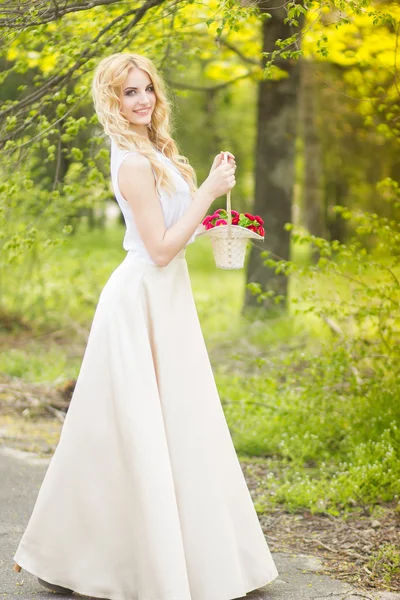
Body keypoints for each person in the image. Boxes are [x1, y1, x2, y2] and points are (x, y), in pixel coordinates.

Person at [12, 52, 279, 600]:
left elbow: (176, 233)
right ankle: (94, 558)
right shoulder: (132, 162)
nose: (141, 100)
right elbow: (157, 249)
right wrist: (206, 192)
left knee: (181, 421)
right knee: (125, 429)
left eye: (147, 90)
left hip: (170, 300)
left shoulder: (158, 152)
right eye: (128, 92)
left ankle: (194, 554)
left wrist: (216, 209)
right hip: (139, 301)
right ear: (112, 100)